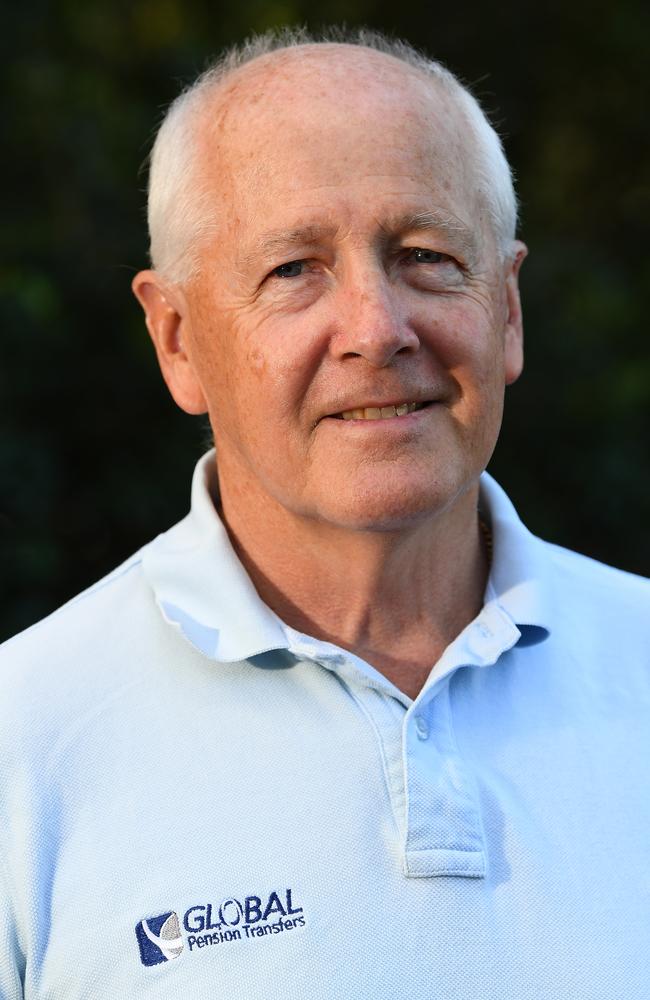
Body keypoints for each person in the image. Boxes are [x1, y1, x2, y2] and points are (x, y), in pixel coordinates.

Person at [0, 27, 648, 1000]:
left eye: (425, 255)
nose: (376, 330)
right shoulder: (24, 742)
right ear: (176, 339)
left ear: (506, 310)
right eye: (293, 269)